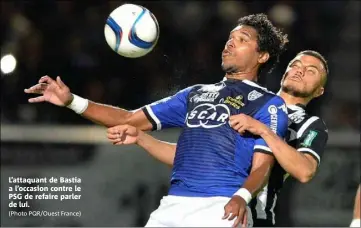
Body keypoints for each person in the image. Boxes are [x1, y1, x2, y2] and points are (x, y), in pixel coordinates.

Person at [25, 14, 289, 227]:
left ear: (262, 55)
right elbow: (129, 119)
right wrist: (72, 100)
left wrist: (241, 197)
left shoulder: (269, 104)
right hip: (173, 206)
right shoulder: (195, 94)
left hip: (221, 208)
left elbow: (262, 168)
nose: (229, 44)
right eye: (230, 38)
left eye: (241, 39)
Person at [107, 50, 330, 227]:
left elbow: (304, 170)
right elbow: (191, 156)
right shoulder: (251, 100)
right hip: (211, 207)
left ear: (320, 90)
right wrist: (143, 139)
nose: (300, 71)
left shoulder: (310, 125)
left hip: (253, 214)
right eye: (295, 65)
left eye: (311, 71)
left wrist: (264, 130)